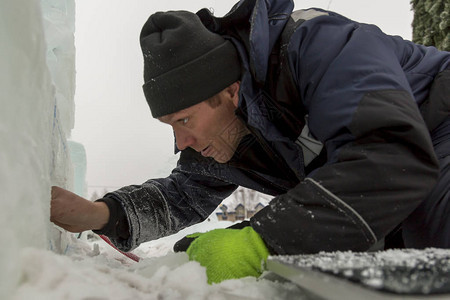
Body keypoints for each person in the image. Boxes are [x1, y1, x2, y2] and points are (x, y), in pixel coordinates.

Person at [51, 0, 450, 284]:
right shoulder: (231, 127)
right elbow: (181, 195)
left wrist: (263, 240)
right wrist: (99, 214)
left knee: (426, 231)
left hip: (438, 123)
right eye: (169, 125)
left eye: (184, 120)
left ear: (230, 93)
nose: (181, 141)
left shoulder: (320, 46)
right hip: (408, 166)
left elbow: (392, 152)